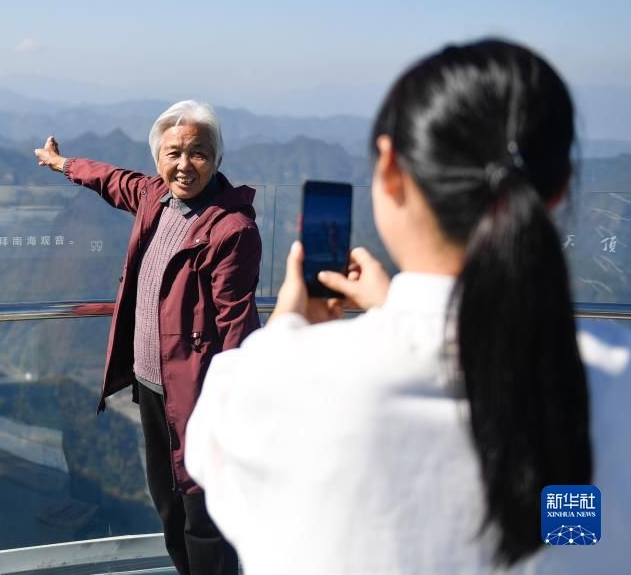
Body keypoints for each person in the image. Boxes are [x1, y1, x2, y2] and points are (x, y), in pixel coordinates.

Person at [186, 40, 629, 573]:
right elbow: (576, 544)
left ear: (391, 169)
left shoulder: (271, 382)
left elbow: (208, 456)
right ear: (558, 190)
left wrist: (287, 325)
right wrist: (396, 307)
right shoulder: (614, 383)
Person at [34, 100, 260, 575]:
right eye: (173, 152)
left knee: (203, 514)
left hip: (198, 396)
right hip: (153, 387)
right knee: (167, 502)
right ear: (158, 158)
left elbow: (237, 324)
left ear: (217, 160)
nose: (184, 164)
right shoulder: (155, 197)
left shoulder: (230, 230)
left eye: (198, 153)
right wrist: (63, 164)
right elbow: (113, 180)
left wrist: (241, 405)